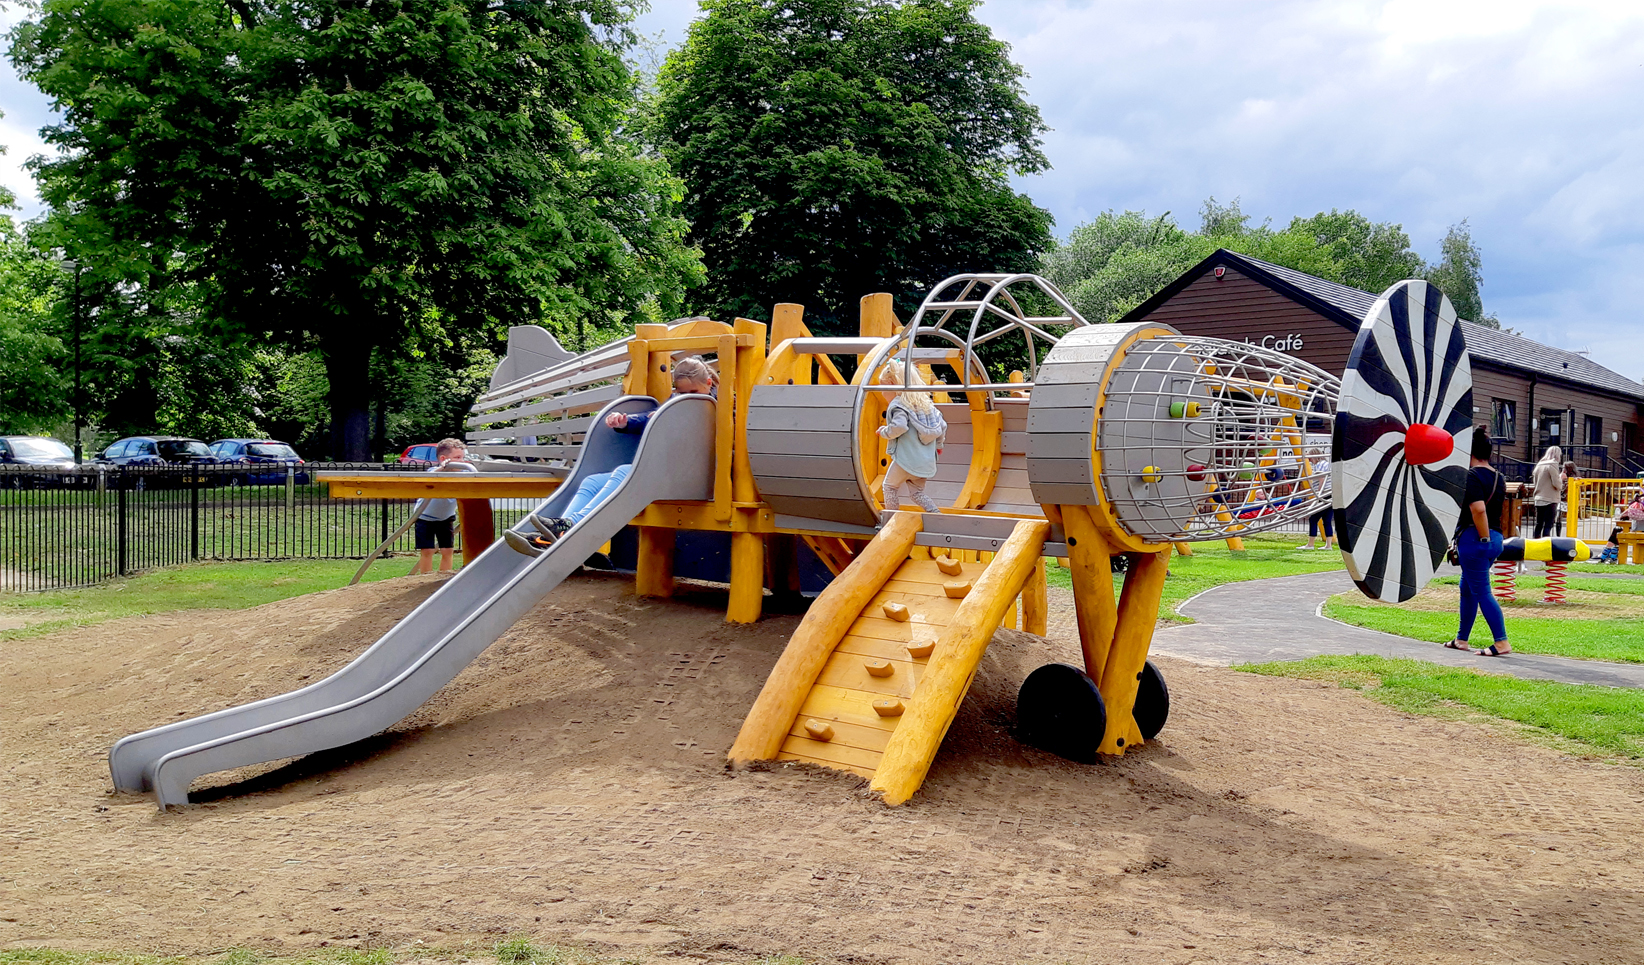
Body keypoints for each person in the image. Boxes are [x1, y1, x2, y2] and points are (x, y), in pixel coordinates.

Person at [505, 356, 718, 556]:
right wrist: (625, 421)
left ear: (709, 383)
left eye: (694, 391)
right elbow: (650, 418)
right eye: (682, 393)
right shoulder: (677, 403)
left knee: (624, 472)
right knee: (592, 481)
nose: (689, 397)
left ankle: (570, 525)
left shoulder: (718, 406)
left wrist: (668, 420)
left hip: (690, 479)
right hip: (664, 473)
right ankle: (556, 532)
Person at [1446, 428, 1511, 656]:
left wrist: (1481, 536)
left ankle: (1501, 642)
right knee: (1468, 587)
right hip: (1495, 538)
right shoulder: (1498, 477)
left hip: (1476, 539)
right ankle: (1461, 639)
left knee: (1482, 590)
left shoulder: (1471, 475)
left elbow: (1478, 509)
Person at [875, 359, 948, 513]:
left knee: (889, 487)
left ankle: (892, 518)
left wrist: (884, 431)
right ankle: (935, 514)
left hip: (905, 460)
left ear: (893, 385)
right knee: (917, 493)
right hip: (925, 462)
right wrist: (939, 446)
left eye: (883, 387)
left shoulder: (899, 405)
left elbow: (900, 426)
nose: (882, 393)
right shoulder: (927, 406)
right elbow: (942, 426)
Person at [409, 438, 478, 575]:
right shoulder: (435, 471)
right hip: (424, 517)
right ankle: (425, 579)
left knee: (447, 550)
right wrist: (443, 467)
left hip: (445, 517)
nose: (461, 461)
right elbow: (430, 478)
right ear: (443, 458)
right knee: (428, 550)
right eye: (457, 457)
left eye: (462, 457)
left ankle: (442, 580)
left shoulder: (464, 474)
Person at [1298, 450, 1335, 550]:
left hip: (1324, 494)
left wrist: (1318, 495)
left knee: (1313, 519)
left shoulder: (1320, 464)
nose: (1308, 459)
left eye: (1309, 456)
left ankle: (1310, 544)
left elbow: (1322, 478)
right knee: (1327, 520)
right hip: (1331, 494)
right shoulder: (1326, 464)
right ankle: (1328, 545)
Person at [1530, 445, 1562, 539]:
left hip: (1539, 497)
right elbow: (1557, 483)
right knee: (1548, 524)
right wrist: (1561, 478)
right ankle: (1545, 544)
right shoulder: (1553, 464)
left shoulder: (1539, 465)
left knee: (1539, 523)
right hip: (1550, 498)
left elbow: (1535, 482)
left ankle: (1535, 543)